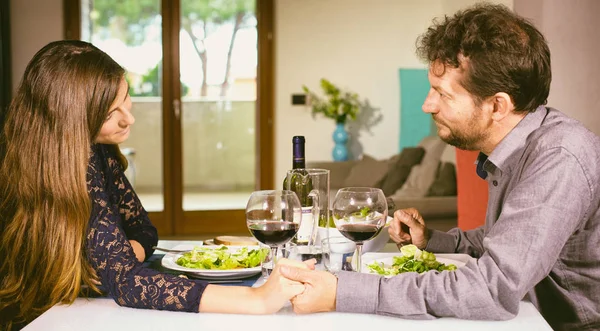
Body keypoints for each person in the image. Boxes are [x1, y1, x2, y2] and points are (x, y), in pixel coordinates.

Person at [278, 4, 600, 331]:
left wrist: (342, 291)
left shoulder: (560, 155)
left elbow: (492, 289)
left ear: (497, 106)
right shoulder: (519, 149)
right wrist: (431, 240)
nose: (427, 105)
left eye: (442, 94)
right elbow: (506, 240)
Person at [0, 40, 307, 330]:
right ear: (71, 121)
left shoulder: (97, 149)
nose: (129, 118)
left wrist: (121, 254)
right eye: (110, 113)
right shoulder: (74, 164)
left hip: (83, 310)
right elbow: (128, 284)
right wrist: (257, 299)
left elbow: (145, 230)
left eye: (126, 97)